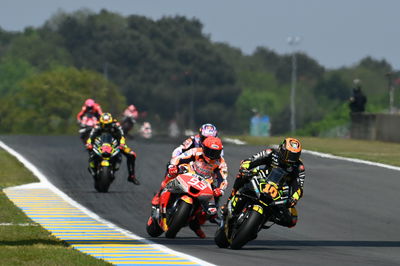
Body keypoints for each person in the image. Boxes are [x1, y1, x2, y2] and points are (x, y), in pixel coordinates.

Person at [152, 136, 228, 238]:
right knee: (172, 174)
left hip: (205, 183)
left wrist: (220, 189)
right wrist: (173, 166)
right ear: (204, 148)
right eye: (210, 151)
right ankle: (160, 194)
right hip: (188, 174)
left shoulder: (221, 162)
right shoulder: (195, 151)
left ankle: (196, 223)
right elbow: (179, 158)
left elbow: (223, 179)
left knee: (213, 204)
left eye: (215, 152)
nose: (212, 155)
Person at [225, 137, 305, 228]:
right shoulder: (270, 153)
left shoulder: (299, 167)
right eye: (289, 154)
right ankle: (229, 200)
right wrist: (245, 167)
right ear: (282, 150)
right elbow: (252, 160)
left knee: (292, 220)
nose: (291, 158)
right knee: (241, 176)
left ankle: (266, 218)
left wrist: (294, 198)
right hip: (263, 177)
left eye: (295, 156)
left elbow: (299, 186)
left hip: (280, 190)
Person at [85, 112, 140, 185]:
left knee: (132, 155)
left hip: (115, 144)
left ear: (111, 122)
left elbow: (122, 136)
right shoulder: (97, 126)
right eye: (104, 125)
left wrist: (122, 144)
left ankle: (131, 176)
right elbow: (91, 137)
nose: (105, 127)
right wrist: (89, 144)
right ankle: (92, 165)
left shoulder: (116, 125)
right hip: (100, 144)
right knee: (90, 149)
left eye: (108, 125)